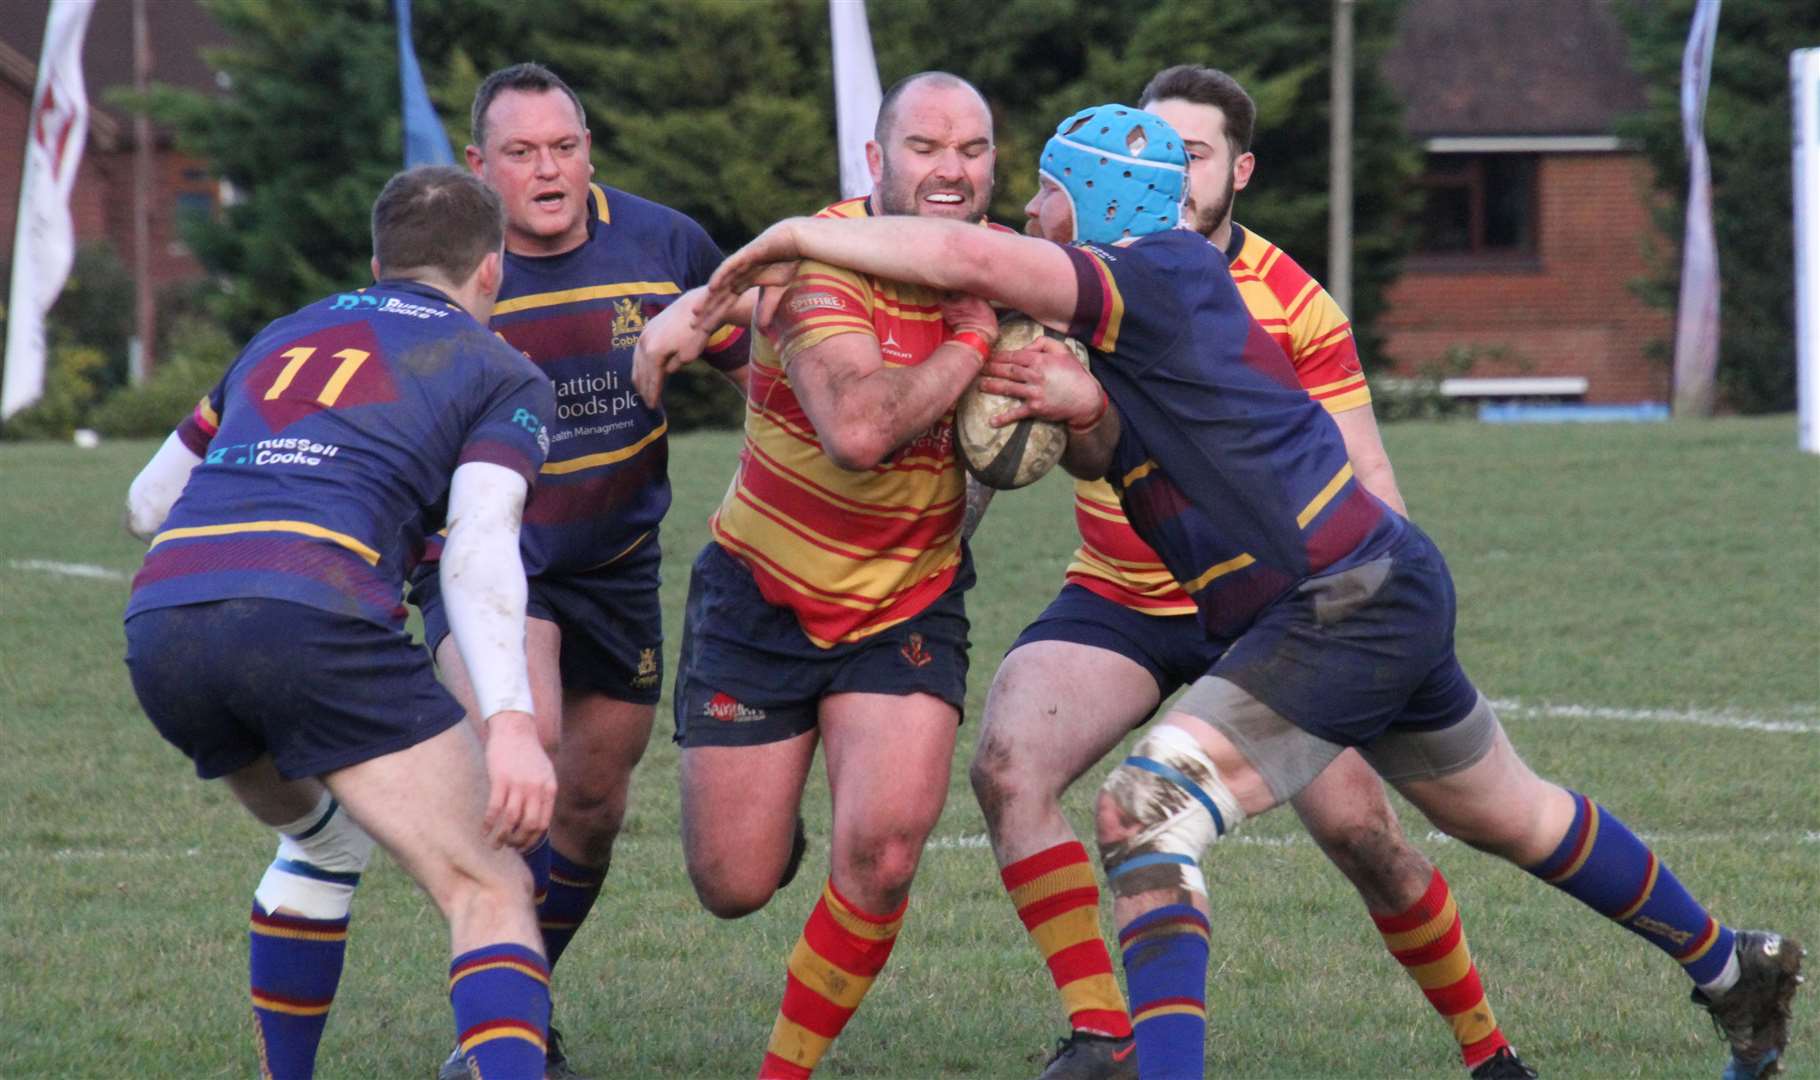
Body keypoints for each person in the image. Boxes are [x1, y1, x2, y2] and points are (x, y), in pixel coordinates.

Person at [693, 105, 1806, 1080]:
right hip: (1374, 586)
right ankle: (1731, 964)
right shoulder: (1142, 309)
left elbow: (966, 261)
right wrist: (1085, 410)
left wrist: (797, 236)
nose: (1023, 212)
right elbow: (1123, 453)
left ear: (1085, 203)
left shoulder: (1148, 271)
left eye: (1037, 191)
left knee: (1141, 814)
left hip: (1336, 599)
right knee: (1509, 813)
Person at [970, 65, 1525, 1080]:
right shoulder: (1068, 268)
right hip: (1122, 589)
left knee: (1366, 836)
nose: (1166, 172)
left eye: (1191, 155)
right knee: (1009, 764)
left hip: (1282, 607)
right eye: (1149, 149)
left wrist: (1376, 625)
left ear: (1238, 169)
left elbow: (1365, 476)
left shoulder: (1289, 299)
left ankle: (1487, 1053)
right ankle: (1102, 1035)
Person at [122, 165, 557, 1080]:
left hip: (164, 624)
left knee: (322, 836)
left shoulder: (285, 333)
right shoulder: (500, 370)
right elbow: (482, 543)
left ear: (376, 262)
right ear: (492, 271)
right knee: (491, 887)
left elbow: (147, 502)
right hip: (310, 615)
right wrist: (512, 725)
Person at [634, 70, 1002, 1080]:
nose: (950, 170)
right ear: (877, 163)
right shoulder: (810, 265)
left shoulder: (1006, 264)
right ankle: (772, 805)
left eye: (971, 151)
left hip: (909, 600)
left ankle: (782, 1070)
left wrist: (1068, 402)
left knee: (882, 855)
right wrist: (976, 339)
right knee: (731, 883)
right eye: (925, 148)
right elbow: (858, 430)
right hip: (763, 592)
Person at [410, 62, 749, 1080]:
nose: (547, 169)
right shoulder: (448, 270)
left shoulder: (665, 244)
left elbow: (767, 373)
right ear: (478, 166)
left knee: (592, 809)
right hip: (491, 567)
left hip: (616, 563)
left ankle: (520, 1007)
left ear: (589, 149)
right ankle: (498, 1047)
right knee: (529, 761)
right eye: (520, 153)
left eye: (564, 146)